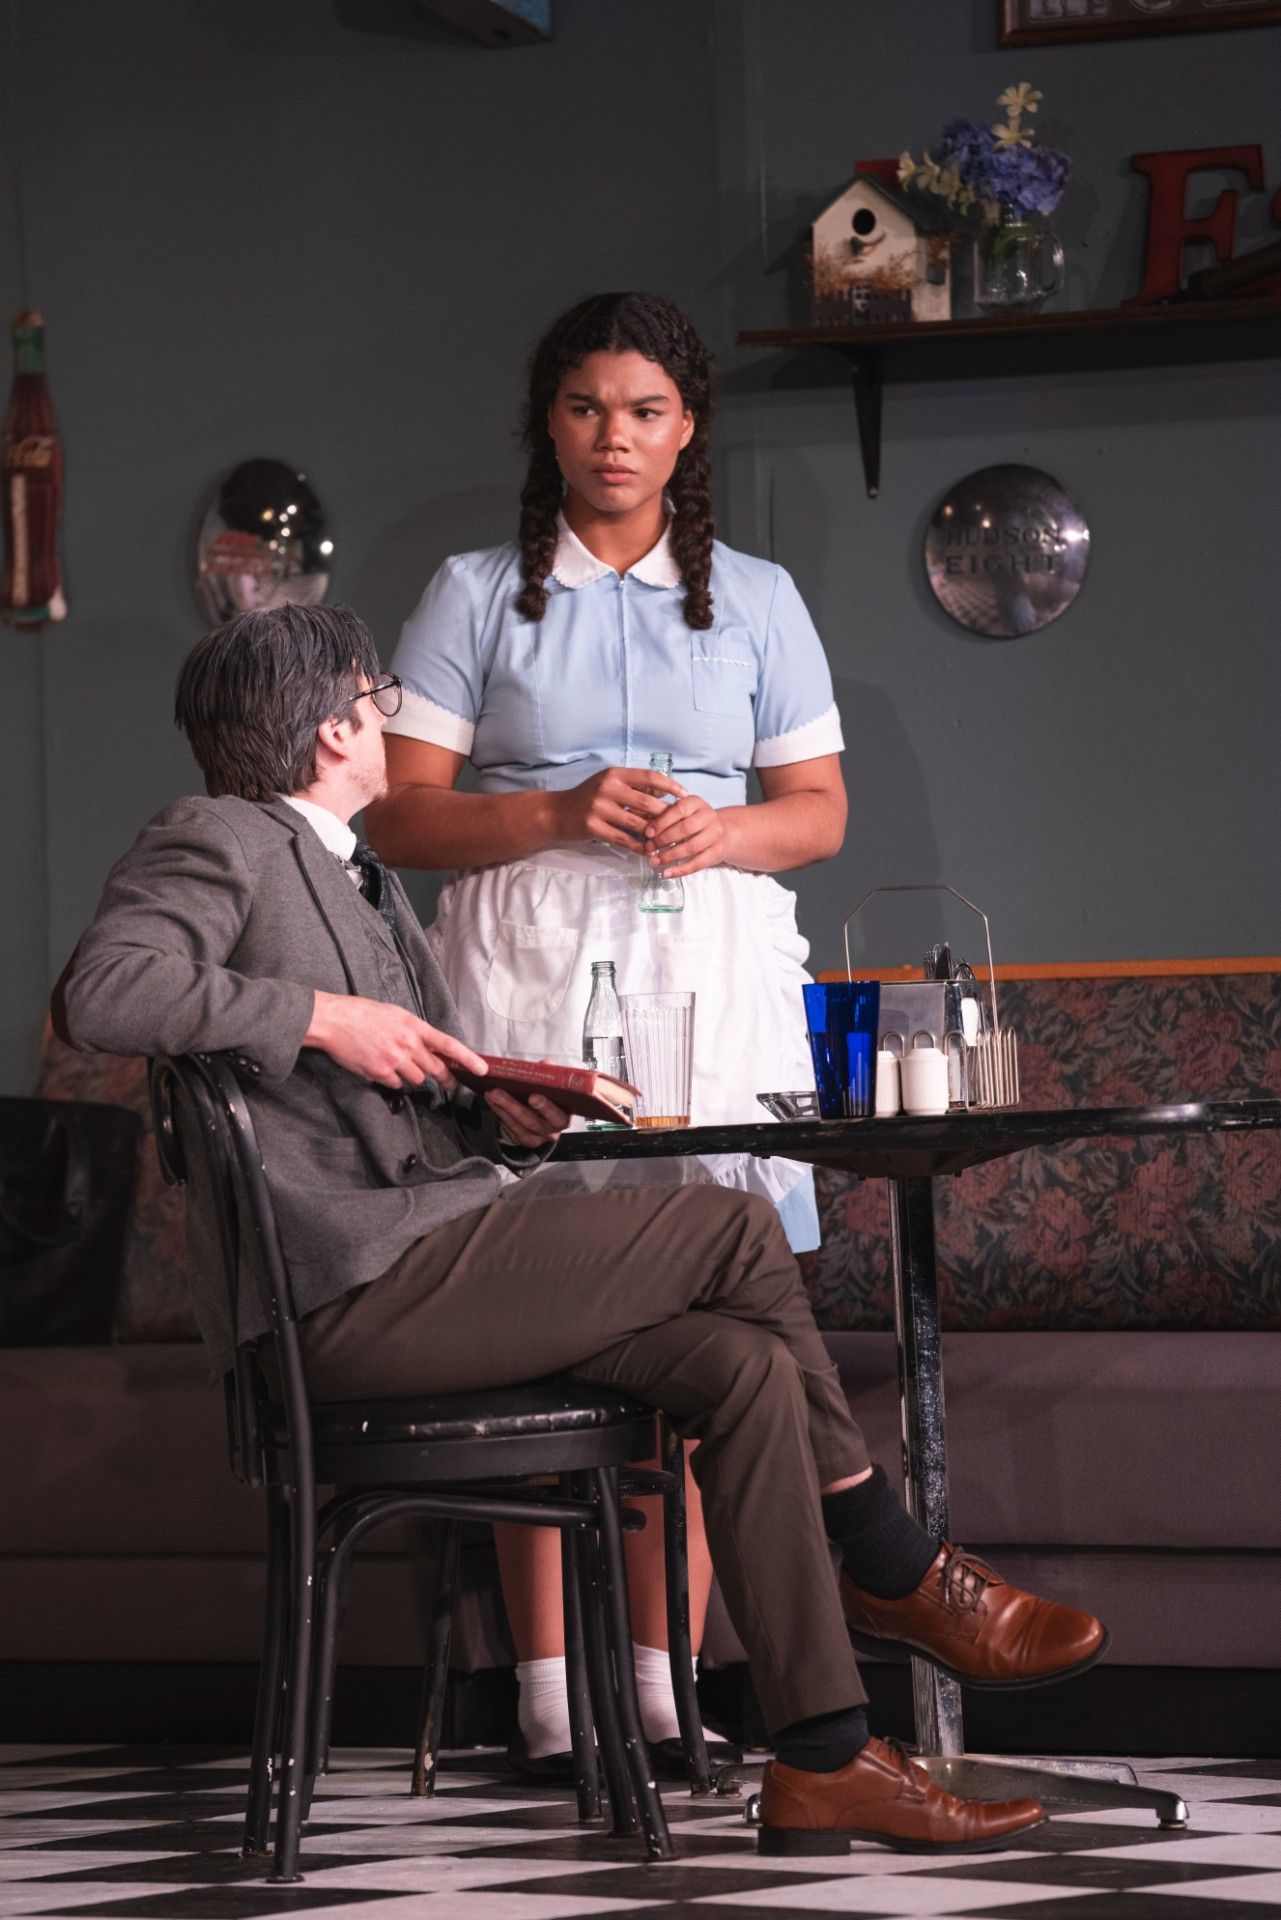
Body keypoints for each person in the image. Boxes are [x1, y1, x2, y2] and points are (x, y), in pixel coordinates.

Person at [54, 603, 1108, 1858]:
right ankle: (892, 1559)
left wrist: (498, 1110)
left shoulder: (360, 875)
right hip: (344, 1294)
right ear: (335, 728)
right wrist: (326, 1019)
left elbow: (397, 1110)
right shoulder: (218, 835)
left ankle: (824, 1758)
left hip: (425, 1256)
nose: (386, 720)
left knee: (742, 1364)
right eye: (375, 701)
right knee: (731, 1226)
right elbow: (102, 992)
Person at [363, 290, 847, 1770]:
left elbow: (819, 813)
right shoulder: (471, 592)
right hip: (527, 968)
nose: (613, 438)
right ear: (549, 424)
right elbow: (397, 815)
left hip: (711, 968)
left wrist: (725, 831)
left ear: (686, 428)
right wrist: (559, 811)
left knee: (706, 1321)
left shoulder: (757, 596)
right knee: (537, 1316)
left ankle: (663, 1687)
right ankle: (545, 1694)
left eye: (644, 411)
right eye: (585, 408)